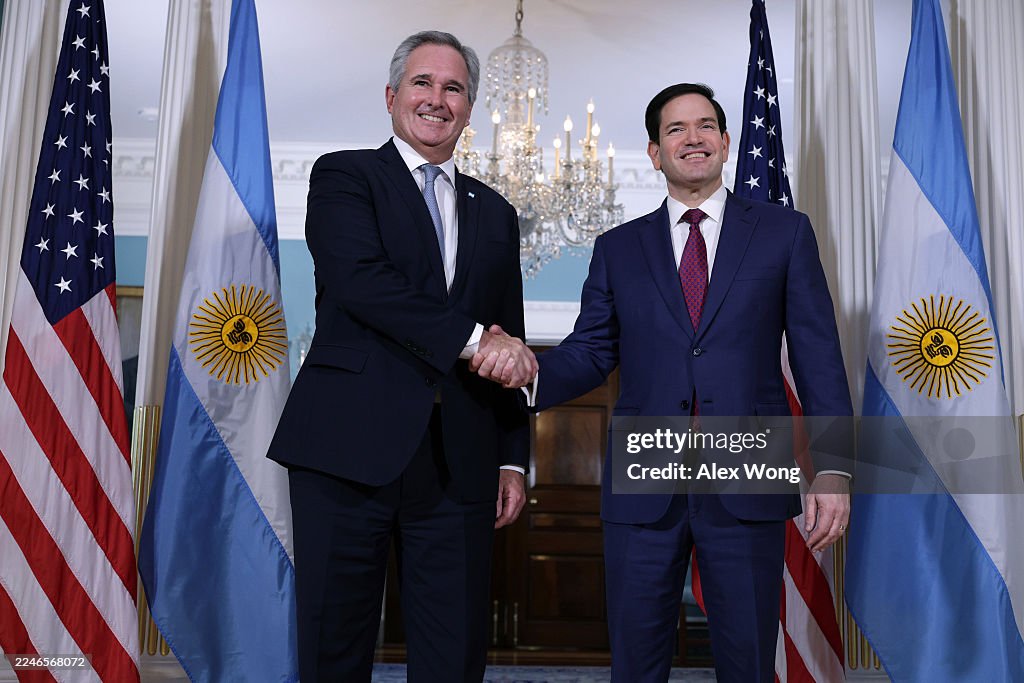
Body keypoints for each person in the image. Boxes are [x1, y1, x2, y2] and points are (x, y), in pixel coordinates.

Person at [474, 83, 853, 682]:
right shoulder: (618, 249)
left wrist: (832, 468)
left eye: (705, 126)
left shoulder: (786, 233)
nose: (692, 138)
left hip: (748, 468)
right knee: (637, 660)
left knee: (747, 659)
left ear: (726, 143)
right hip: (644, 476)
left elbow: (818, 355)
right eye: (676, 129)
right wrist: (529, 372)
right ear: (655, 152)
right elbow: (592, 350)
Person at [267, 30, 537, 683]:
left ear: (470, 108)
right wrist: (476, 341)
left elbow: (511, 329)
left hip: (460, 461)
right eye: (423, 83)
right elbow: (364, 283)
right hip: (344, 452)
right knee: (334, 644)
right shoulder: (345, 175)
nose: (437, 99)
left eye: (454, 88)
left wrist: (511, 455)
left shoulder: (497, 212)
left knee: (454, 653)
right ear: (392, 96)